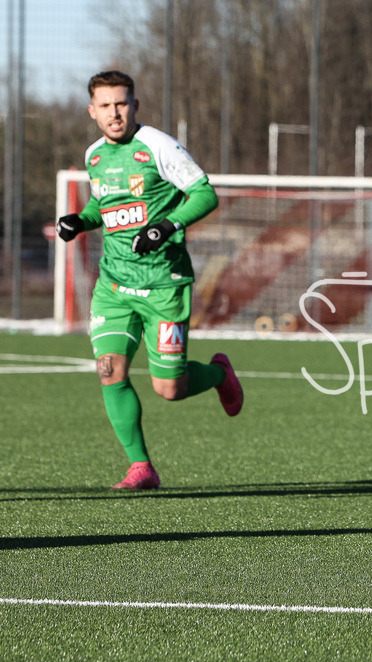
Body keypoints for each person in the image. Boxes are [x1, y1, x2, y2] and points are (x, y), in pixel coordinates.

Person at [56, 70, 243, 490]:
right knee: (109, 370)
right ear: (92, 111)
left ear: (135, 105)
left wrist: (166, 226)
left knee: (170, 389)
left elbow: (205, 194)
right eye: (105, 105)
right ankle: (141, 466)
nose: (114, 113)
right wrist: (80, 221)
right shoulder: (94, 156)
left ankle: (219, 374)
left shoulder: (158, 146)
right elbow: (103, 207)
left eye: (121, 103)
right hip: (114, 286)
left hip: (164, 285)